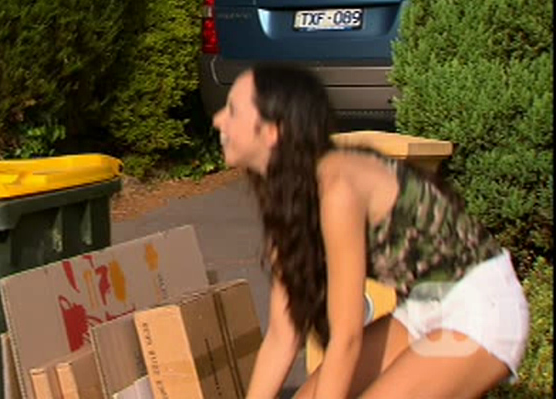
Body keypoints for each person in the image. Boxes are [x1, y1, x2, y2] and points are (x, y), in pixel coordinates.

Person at [211, 64, 529, 399]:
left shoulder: (339, 186)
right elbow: (282, 336)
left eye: (233, 110)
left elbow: (346, 337)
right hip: (420, 309)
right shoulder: (290, 201)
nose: (218, 120)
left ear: (272, 131)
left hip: (479, 308)